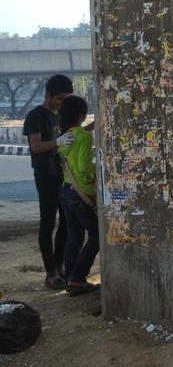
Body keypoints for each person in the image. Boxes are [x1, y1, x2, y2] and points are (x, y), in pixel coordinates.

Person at [23, 75, 75, 289]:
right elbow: (35, 147)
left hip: (63, 174)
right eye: (60, 99)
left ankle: (60, 266)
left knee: (66, 222)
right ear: (48, 95)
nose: (63, 103)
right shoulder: (36, 116)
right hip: (45, 176)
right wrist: (57, 142)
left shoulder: (61, 115)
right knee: (48, 223)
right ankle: (51, 273)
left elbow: (71, 134)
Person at [57, 95, 100, 296]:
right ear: (82, 115)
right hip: (80, 194)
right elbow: (84, 168)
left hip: (66, 190)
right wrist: (98, 167)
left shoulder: (64, 137)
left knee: (74, 236)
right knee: (96, 236)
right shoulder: (83, 137)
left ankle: (69, 278)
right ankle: (77, 278)